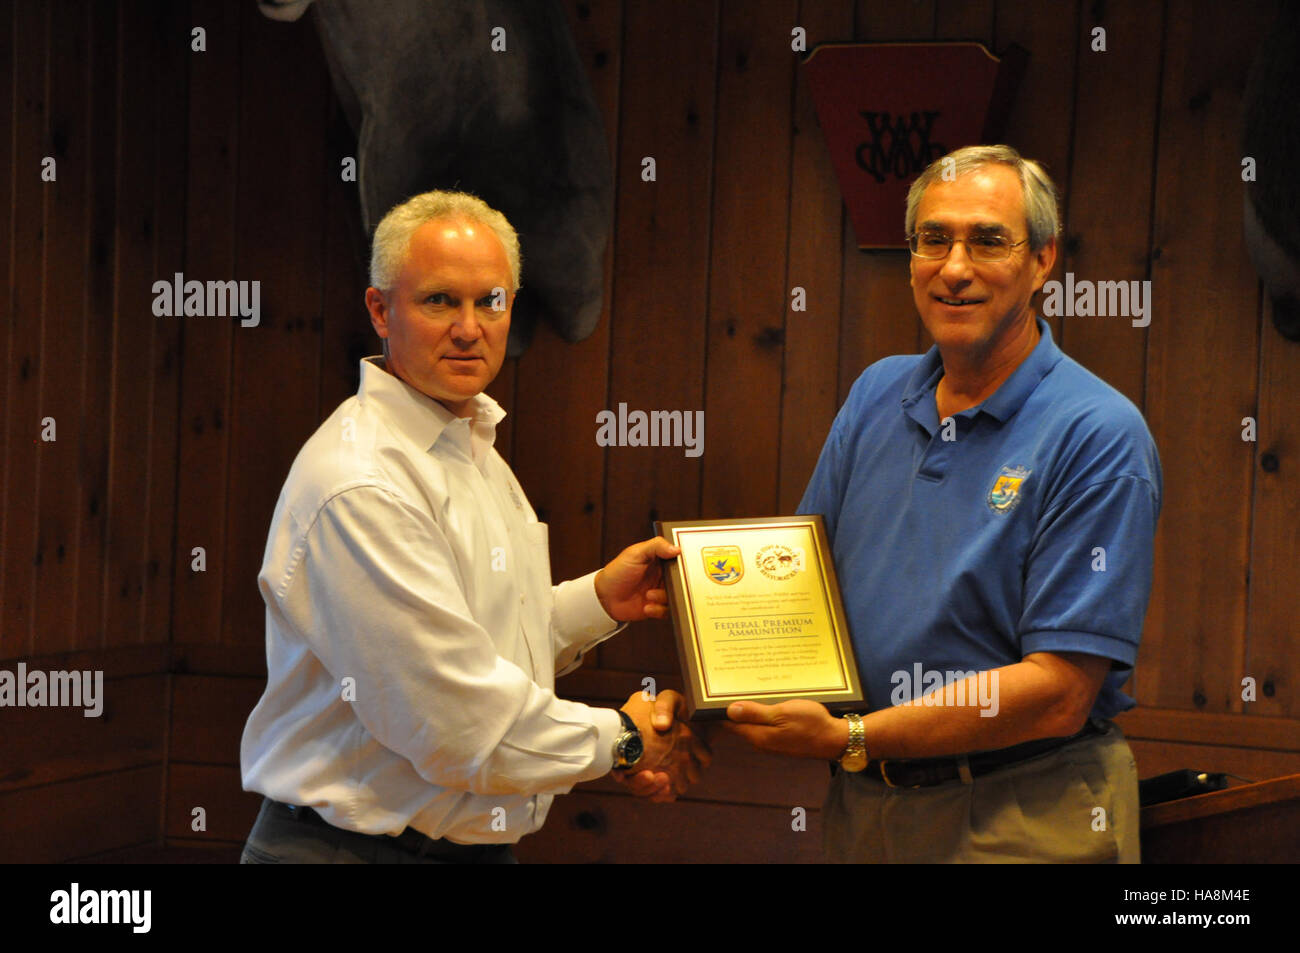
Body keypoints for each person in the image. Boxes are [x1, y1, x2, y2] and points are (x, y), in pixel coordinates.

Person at [239, 190, 707, 864]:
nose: (468, 327)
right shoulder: (361, 480)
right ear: (380, 310)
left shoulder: (471, 445)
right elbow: (452, 718)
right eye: (438, 301)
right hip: (349, 851)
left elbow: (480, 645)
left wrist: (597, 601)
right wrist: (623, 740)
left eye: (489, 301)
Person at [726, 145, 1161, 863]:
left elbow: (1057, 690)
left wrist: (853, 736)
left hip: (1022, 814)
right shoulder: (877, 393)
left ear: (1043, 261)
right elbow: (796, 580)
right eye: (934, 239)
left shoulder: (1097, 433)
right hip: (866, 805)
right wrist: (694, 647)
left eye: (988, 240)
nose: (954, 267)